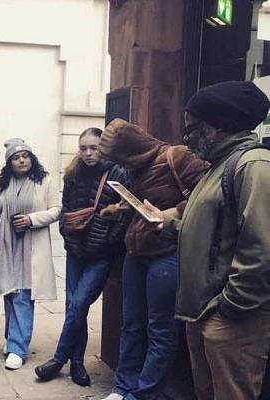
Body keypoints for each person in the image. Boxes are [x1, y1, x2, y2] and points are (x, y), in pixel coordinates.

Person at [146, 81, 270, 400]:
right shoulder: (218, 167)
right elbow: (210, 230)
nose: (186, 138)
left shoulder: (252, 166)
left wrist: (229, 309)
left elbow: (262, 250)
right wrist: (169, 224)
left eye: (192, 128)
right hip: (203, 313)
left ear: (218, 126)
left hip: (230, 319)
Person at [98, 118, 207, 400]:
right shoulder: (136, 167)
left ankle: (145, 393)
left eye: (119, 157)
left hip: (166, 255)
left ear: (131, 149)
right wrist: (122, 207)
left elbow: (207, 194)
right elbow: (145, 202)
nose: (119, 164)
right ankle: (123, 387)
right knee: (131, 324)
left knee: (160, 329)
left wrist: (174, 211)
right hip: (137, 253)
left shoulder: (177, 156)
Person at [34, 128, 129, 385]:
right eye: (83, 148)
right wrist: (67, 235)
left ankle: (58, 358)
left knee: (78, 304)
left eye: (94, 147)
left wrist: (108, 243)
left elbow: (124, 215)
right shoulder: (73, 173)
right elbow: (66, 210)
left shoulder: (119, 173)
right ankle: (76, 364)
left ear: (104, 147)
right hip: (75, 251)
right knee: (75, 308)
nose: (88, 153)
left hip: (101, 254)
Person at [0, 138, 61, 371]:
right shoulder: (3, 184)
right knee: (9, 292)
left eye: (26, 156)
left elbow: (57, 210)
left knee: (23, 295)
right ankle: (11, 340)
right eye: (17, 157)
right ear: (9, 163)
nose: (22, 160)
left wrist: (31, 220)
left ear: (32, 158)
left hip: (31, 246)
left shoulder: (45, 180)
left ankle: (18, 348)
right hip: (8, 246)